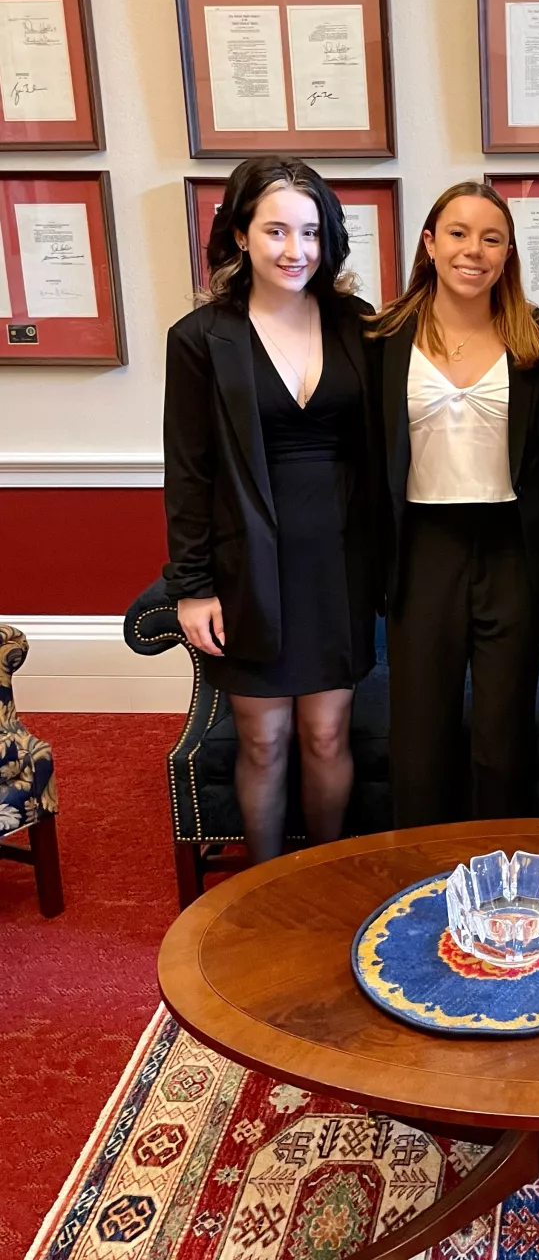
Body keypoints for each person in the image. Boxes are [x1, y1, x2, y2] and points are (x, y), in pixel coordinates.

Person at [163, 157, 378, 864]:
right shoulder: (199, 339)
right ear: (241, 234)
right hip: (247, 564)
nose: (296, 250)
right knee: (264, 737)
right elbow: (189, 472)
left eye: (311, 232)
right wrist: (192, 588)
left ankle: (323, 881)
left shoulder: (359, 324)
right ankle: (263, 894)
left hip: (339, 562)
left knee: (325, 734)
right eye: (277, 230)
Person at [366, 182, 539, 827]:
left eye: (491, 238)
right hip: (421, 545)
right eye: (457, 233)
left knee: (504, 731)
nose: (473, 250)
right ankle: (423, 871)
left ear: (508, 256)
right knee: (422, 729)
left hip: (513, 548)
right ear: (428, 242)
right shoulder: (381, 339)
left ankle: (506, 881)